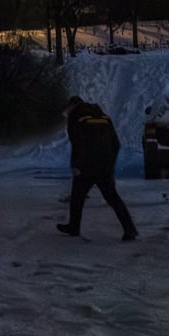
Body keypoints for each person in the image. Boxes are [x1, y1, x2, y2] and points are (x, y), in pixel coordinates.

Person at [57, 96, 139, 241]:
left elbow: (78, 143)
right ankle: (129, 229)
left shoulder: (76, 116)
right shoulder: (103, 117)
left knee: (77, 197)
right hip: (104, 165)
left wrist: (76, 165)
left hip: (87, 165)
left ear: (71, 106)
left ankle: (74, 227)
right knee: (113, 198)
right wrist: (110, 164)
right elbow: (116, 144)